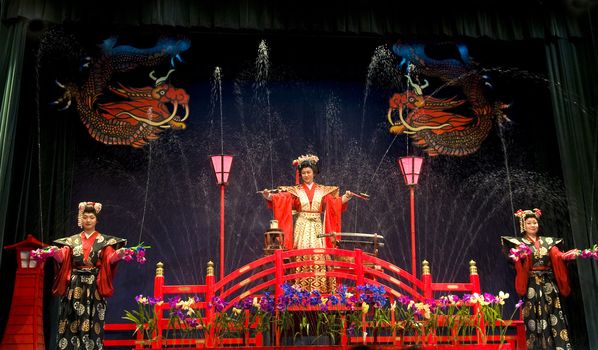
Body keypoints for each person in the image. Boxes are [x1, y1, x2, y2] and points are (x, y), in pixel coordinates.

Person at [262, 154, 354, 291]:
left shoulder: (322, 190)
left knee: (320, 253)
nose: (306, 175)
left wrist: (346, 198)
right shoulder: (295, 191)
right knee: (301, 251)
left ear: (314, 173)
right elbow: (282, 199)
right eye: (303, 173)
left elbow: (333, 203)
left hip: (317, 226)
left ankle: (321, 287)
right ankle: (300, 288)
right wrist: (269, 196)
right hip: (302, 225)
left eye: (308, 172)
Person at [48, 202, 127, 350]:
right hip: (74, 286)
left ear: (96, 220)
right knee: (69, 320)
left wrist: (120, 254)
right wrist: (54, 253)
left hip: (94, 287)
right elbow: (63, 258)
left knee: (93, 321)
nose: (88, 220)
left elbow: (110, 258)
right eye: (85, 217)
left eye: (91, 217)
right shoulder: (71, 241)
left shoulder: (104, 241)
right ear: (81, 219)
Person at [501, 208, 578, 350]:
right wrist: (519, 257)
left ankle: (560, 347)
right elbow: (514, 259)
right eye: (529, 223)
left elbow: (556, 255)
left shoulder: (547, 242)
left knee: (554, 313)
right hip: (532, 284)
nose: (533, 225)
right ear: (523, 225)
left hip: (548, 283)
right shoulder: (520, 243)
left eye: (535, 222)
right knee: (533, 316)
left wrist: (565, 256)